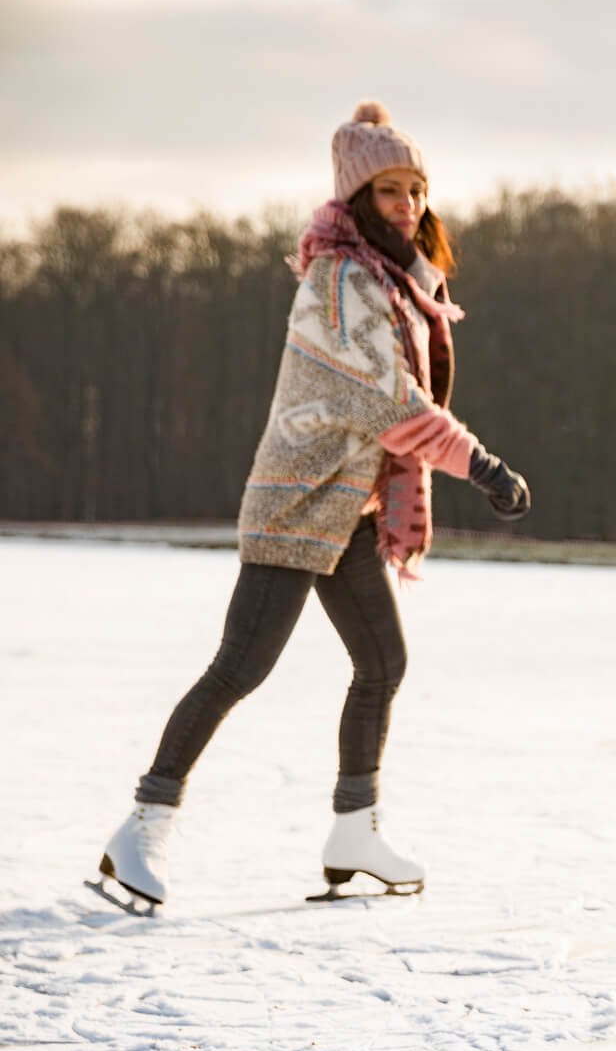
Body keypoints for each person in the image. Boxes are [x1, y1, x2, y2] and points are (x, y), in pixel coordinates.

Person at [89, 102, 533, 915]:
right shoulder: (340, 282)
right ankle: (141, 827)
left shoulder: (397, 283)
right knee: (240, 667)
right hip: (298, 503)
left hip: (349, 510)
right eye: (390, 190)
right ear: (357, 198)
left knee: (382, 663)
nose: (408, 205)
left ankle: (353, 831)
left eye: (416, 189)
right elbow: (385, 402)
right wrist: (481, 463)